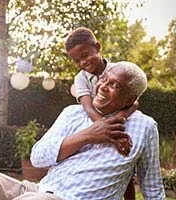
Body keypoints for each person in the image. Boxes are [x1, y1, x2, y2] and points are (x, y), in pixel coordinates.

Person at [0, 62, 166, 200]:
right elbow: (38, 157)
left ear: (129, 98)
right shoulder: (73, 113)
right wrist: (89, 135)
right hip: (39, 189)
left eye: (114, 85)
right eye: (104, 79)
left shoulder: (144, 127)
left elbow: (153, 189)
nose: (102, 86)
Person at [65, 27, 137, 199]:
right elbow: (88, 107)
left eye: (85, 55)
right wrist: (104, 127)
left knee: (125, 170)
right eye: (76, 61)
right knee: (99, 166)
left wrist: (119, 118)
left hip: (120, 125)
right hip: (95, 126)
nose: (82, 63)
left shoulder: (118, 70)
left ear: (97, 47)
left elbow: (134, 103)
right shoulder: (80, 78)